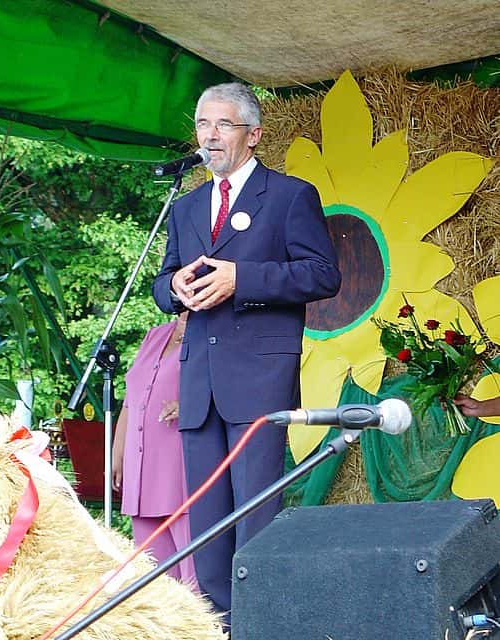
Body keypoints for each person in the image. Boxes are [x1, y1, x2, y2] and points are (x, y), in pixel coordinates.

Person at [152, 82, 341, 624]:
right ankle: (220, 625)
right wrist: (174, 288)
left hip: (258, 380)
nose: (210, 136)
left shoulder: (289, 196)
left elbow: (322, 274)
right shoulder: (186, 206)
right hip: (200, 383)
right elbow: (163, 282)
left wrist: (243, 279)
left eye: (223, 125)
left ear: (253, 135)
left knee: (256, 514)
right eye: (202, 125)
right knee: (207, 523)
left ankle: (262, 625)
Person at [112, 311, 197, 587]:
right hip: (140, 472)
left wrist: (189, 406)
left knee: (194, 581)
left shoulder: (212, 336)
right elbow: (131, 399)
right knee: (154, 582)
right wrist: (117, 452)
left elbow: (223, 391)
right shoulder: (155, 335)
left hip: (180, 471)